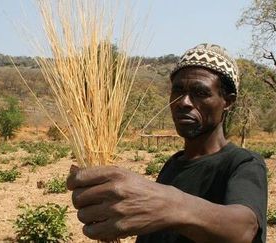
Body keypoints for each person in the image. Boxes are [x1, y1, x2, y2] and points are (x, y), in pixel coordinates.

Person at [67, 43, 268, 243]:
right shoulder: (173, 165)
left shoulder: (243, 163)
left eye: (200, 93)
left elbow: (244, 229)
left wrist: (169, 204)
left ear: (228, 102)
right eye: (178, 90)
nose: (183, 102)